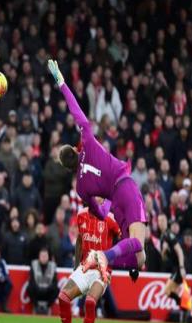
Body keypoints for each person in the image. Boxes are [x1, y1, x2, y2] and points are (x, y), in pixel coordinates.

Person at [48, 60, 147, 283]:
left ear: (68, 168)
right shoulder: (88, 142)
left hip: (116, 201)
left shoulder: (81, 188)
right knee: (138, 242)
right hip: (126, 187)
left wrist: (109, 201)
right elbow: (76, 110)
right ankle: (104, 256)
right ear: (76, 149)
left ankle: (114, 261)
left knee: (139, 258)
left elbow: (101, 214)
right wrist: (61, 82)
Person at [58, 204, 120, 323]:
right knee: (63, 297)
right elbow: (80, 240)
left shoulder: (110, 219)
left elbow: (123, 240)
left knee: (90, 302)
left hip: (101, 271)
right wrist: (76, 268)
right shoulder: (81, 215)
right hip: (84, 267)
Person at [157, 213, 188, 321]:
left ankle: (186, 308)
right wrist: (164, 252)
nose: (161, 223)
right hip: (175, 268)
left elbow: (179, 251)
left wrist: (182, 267)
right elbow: (165, 257)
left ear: (166, 222)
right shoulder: (163, 236)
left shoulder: (169, 235)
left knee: (167, 291)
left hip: (179, 268)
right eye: (159, 221)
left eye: (163, 221)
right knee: (171, 292)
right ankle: (185, 310)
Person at [27, 247, 58, 315]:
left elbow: (55, 282)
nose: (44, 258)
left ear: (48, 257)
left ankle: (47, 307)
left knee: (56, 289)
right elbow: (31, 281)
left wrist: (47, 289)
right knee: (29, 288)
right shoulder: (34, 264)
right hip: (37, 290)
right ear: (39, 256)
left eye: (45, 256)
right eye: (42, 256)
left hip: (48, 291)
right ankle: (36, 306)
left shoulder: (53, 266)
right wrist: (38, 288)